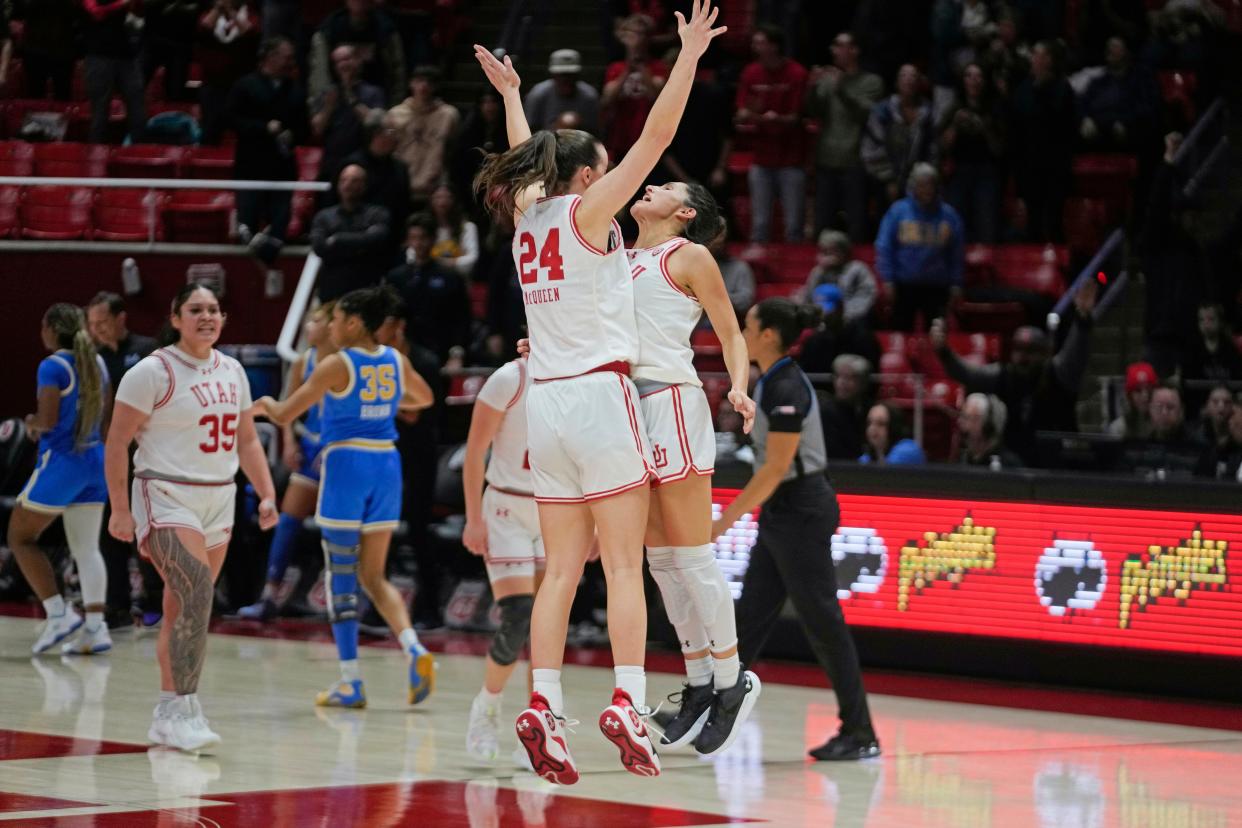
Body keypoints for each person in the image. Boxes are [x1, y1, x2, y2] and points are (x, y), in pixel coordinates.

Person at [472, 0, 725, 783]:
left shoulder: (526, 216)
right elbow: (659, 136)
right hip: (601, 399)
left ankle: (542, 703)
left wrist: (515, 98)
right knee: (621, 567)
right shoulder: (589, 211)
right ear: (589, 176)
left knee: (559, 572)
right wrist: (686, 56)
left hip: (541, 405)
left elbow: (528, 162)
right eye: (604, 163)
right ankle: (626, 699)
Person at [106, 282, 279, 752]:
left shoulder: (234, 371)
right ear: (176, 317)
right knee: (198, 591)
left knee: (184, 608)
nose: (207, 316)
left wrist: (266, 494)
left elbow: (246, 440)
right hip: (164, 492)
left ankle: (167, 711)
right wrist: (120, 509)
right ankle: (185, 705)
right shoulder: (151, 371)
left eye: (214, 310)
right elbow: (117, 441)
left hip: (218, 497)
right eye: (196, 309)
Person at [622, 180, 761, 757]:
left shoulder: (689, 255)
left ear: (683, 213)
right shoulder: (617, 253)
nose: (647, 186)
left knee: (692, 552)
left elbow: (730, 330)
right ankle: (700, 680)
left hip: (671, 400)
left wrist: (740, 388)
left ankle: (732, 682)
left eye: (664, 187)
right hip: (624, 405)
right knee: (660, 560)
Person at [255, 286, 435, 709]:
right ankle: (414, 648)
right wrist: (385, 399)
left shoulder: (336, 365)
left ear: (354, 323)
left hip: (347, 465)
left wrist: (251, 406)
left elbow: (283, 414)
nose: (332, 326)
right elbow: (424, 398)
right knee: (374, 575)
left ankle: (351, 681)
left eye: (336, 319)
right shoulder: (395, 359)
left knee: (341, 574)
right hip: (387, 466)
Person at [717, 297, 880, 761]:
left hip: (801, 508)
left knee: (823, 623)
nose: (741, 332)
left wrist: (723, 523)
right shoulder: (770, 382)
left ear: (769, 334)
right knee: (748, 619)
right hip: (785, 509)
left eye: (748, 325)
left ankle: (860, 731)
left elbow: (774, 470)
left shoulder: (787, 386)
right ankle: (709, 709)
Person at [14, 305, 112, 656]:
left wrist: (31, 422)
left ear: (53, 329)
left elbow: (49, 420)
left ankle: (58, 614)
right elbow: (106, 421)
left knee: (19, 537)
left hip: (62, 462)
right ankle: (95, 629)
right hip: (95, 460)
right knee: (87, 547)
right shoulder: (97, 363)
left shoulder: (52, 366)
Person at [460, 356, 542, 761]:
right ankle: (487, 707)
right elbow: (475, 451)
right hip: (506, 506)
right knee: (518, 618)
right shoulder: (510, 378)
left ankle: (538, 729)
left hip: (555, 508)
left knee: (547, 628)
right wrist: (473, 518)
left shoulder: (580, 377)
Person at [238, 303, 339, 621]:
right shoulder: (303, 362)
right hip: (310, 449)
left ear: (332, 326)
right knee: (288, 521)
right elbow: (287, 409)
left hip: (339, 454)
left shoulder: (346, 364)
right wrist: (290, 441)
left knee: (342, 530)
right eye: (308, 320)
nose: (309, 326)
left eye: (316, 321)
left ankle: (349, 601)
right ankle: (269, 595)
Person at [930, 281, 1098, 465]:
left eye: (1030, 351)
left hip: (1059, 467)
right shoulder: (1003, 376)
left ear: (1044, 353)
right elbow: (966, 374)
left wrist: (1082, 319)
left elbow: (1076, 354)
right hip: (1012, 468)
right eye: (1018, 350)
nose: (1022, 357)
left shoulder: (1058, 374)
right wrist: (944, 352)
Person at [86, 292, 160, 629]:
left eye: (102, 322)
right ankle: (115, 605)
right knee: (109, 529)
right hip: (109, 456)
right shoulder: (93, 359)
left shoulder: (147, 350)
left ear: (121, 319)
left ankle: (155, 601)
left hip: (146, 454)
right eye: (92, 324)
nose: (97, 329)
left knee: (147, 530)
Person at [226, 36, 307, 259]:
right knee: (247, 230)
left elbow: (304, 129)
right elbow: (231, 120)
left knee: (278, 231)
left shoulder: (296, 91)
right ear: (270, 57)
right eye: (286, 57)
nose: (291, 62)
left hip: (282, 169)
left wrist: (293, 135)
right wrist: (263, 128)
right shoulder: (245, 86)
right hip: (251, 167)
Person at [806, 31, 884, 241]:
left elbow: (866, 114)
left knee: (856, 220)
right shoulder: (827, 81)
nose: (835, 50)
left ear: (854, 51)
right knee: (823, 220)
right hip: (826, 158)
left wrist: (841, 88)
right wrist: (812, 88)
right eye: (834, 46)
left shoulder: (871, 82)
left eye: (841, 45)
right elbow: (814, 112)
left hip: (855, 160)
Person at [734, 25, 809, 242]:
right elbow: (741, 112)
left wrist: (767, 118)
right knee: (760, 224)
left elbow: (796, 117)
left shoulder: (797, 73)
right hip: (761, 158)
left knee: (794, 225)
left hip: (791, 159)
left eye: (760, 42)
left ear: (774, 46)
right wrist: (760, 117)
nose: (755, 46)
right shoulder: (750, 73)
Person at [875, 163, 964, 331]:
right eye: (922, 185)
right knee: (900, 332)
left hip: (937, 287)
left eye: (930, 184)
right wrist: (888, 280)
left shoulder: (949, 216)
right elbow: (885, 247)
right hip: (903, 285)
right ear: (913, 187)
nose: (927, 190)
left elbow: (956, 254)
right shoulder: (898, 211)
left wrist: (956, 283)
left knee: (937, 333)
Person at [384, 213, 472, 364]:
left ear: (433, 239)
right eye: (414, 238)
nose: (418, 243)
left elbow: (461, 318)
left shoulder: (450, 277)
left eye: (423, 237)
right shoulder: (395, 277)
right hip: (402, 353)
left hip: (440, 353)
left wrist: (456, 354)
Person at [938, 62, 1005, 244]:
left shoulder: (995, 108)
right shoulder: (954, 108)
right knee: (956, 223)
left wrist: (984, 127)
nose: (974, 81)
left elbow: (999, 149)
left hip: (987, 172)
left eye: (978, 76)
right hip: (959, 171)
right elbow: (942, 145)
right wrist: (955, 125)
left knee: (987, 225)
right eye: (969, 76)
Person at [311, 164, 393, 302]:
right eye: (343, 180)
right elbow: (319, 248)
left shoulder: (378, 213)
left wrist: (337, 240)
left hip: (367, 292)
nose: (347, 184)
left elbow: (377, 240)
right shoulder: (323, 216)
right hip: (332, 291)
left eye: (354, 180)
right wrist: (361, 243)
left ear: (364, 185)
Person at [861, 64, 936, 208]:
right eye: (904, 75)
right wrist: (889, 180)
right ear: (897, 82)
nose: (909, 80)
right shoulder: (882, 112)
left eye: (913, 76)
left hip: (919, 187)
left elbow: (932, 151)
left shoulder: (927, 114)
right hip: (883, 183)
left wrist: (922, 182)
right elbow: (871, 149)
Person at [311, 44, 387, 185]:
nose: (343, 64)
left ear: (358, 60)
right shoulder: (327, 94)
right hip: (333, 163)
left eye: (346, 59)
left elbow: (376, 125)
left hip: (364, 162)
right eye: (338, 61)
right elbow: (317, 129)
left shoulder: (374, 92)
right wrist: (328, 107)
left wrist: (351, 98)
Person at [308, 0, 407, 107]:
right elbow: (319, 75)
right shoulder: (328, 30)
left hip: (378, 104)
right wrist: (322, 109)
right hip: (337, 107)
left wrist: (395, 109)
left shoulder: (386, 30)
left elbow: (398, 73)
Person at [389, 67, 461, 204]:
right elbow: (389, 148)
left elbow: (452, 150)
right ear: (411, 83)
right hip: (402, 183)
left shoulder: (448, 115)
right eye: (419, 81)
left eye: (429, 82)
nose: (424, 86)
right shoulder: (395, 114)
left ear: (435, 87)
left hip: (434, 186)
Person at [601, 15, 669, 161]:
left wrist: (642, 67)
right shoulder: (615, 68)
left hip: (649, 141)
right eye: (632, 33)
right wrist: (627, 70)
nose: (636, 39)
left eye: (641, 34)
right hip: (619, 140)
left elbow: (656, 99)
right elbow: (607, 100)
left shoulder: (658, 68)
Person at [339, 116, 412, 251]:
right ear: (376, 135)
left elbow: (405, 206)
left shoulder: (400, 168)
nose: (396, 137)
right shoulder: (352, 166)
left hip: (393, 242)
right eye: (391, 132)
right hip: (359, 241)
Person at [82, 0, 147, 142]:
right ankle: (96, 155)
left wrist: (136, 5)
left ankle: (139, 155)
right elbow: (96, 13)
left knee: (138, 111)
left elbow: (139, 16)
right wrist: (122, 3)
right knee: (99, 114)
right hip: (99, 56)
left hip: (128, 56)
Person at [196, 0, 259, 145]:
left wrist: (232, 13)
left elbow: (249, 32)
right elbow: (204, 27)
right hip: (214, 83)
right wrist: (218, 8)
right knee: (210, 133)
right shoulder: (209, 13)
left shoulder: (250, 13)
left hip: (242, 85)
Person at [799, 230, 877, 330]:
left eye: (832, 250)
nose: (827, 255)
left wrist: (843, 315)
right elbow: (809, 298)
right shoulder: (818, 271)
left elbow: (866, 297)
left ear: (844, 251)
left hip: (853, 321)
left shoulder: (858, 268)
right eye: (824, 251)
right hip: (822, 321)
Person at [522, 49, 601, 134]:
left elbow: (595, 132)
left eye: (570, 75)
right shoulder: (538, 95)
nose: (565, 80)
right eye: (561, 75)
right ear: (553, 74)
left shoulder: (589, 96)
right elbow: (528, 131)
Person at [955, 392, 1022, 468]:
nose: (959, 422)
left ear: (987, 424)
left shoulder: (1008, 465)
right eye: (961, 416)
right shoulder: (959, 458)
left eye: (966, 417)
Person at [430, 185, 481, 277]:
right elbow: (412, 255)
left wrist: (446, 263)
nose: (442, 202)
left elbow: (472, 259)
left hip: (458, 279)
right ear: (431, 201)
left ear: (454, 201)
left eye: (447, 197)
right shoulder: (425, 227)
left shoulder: (468, 228)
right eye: (438, 197)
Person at [859, 401, 925, 464]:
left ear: (894, 426)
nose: (872, 428)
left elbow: (886, 473)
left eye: (880, 423)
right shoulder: (866, 457)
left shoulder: (907, 450)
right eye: (869, 423)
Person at [1107, 361, 1157, 439]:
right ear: (1130, 396)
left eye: (1149, 389)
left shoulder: (1162, 423)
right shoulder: (1118, 428)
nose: (1145, 395)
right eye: (1138, 390)